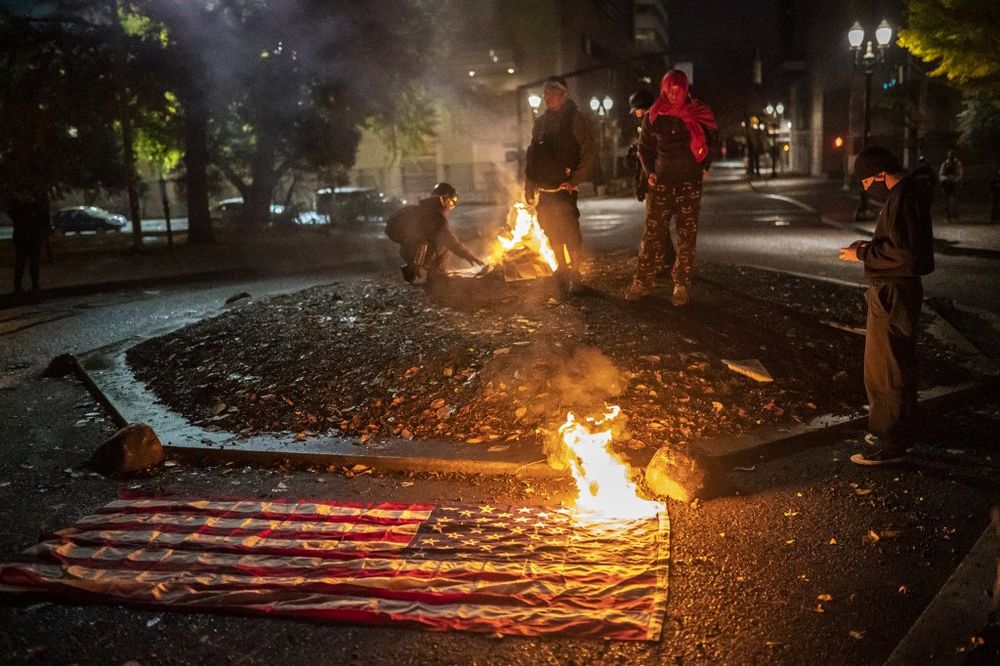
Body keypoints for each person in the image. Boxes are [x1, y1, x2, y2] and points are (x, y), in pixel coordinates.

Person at [838, 145, 934, 466]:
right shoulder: (905, 195)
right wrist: (868, 247)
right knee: (896, 363)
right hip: (898, 290)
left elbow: (902, 253)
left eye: (866, 181)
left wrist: (863, 254)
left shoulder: (901, 197)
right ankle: (900, 431)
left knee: (885, 368)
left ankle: (888, 440)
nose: (866, 188)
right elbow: (901, 244)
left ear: (881, 173)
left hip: (892, 291)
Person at [624, 69, 718, 306]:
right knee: (652, 235)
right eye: (670, 89)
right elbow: (644, 149)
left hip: (689, 183)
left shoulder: (698, 113)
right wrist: (650, 173)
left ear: (685, 89)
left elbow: (713, 139)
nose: (674, 94)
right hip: (662, 184)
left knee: (687, 237)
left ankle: (681, 285)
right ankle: (642, 281)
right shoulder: (653, 116)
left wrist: (705, 165)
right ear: (664, 89)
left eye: (679, 89)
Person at [524, 75, 595, 295]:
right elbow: (533, 155)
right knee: (550, 229)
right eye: (545, 93)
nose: (547, 97)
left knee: (569, 229)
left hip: (564, 187)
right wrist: (529, 184)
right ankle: (562, 270)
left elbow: (589, 151)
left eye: (552, 93)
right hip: (545, 188)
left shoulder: (575, 119)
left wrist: (574, 180)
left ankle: (575, 272)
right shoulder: (541, 123)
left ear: (563, 95)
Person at [384, 182, 484, 285]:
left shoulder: (418, 209)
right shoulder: (437, 218)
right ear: (444, 199)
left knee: (439, 241)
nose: (452, 206)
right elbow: (450, 241)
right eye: (453, 202)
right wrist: (469, 256)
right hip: (418, 253)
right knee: (445, 247)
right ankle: (435, 276)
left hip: (406, 251)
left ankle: (415, 268)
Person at [8, 186, 50, 294]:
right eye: (24, 194)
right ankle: (18, 286)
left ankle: (34, 284)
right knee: (20, 263)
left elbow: (43, 218)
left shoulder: (35, 206)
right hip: (22, 238)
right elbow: (14, 215)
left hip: (33, 238)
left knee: (34, 263)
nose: (27, 196)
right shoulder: (17, 206)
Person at [938, 150, 964, 222]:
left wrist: (953, 179)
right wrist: (945, 179)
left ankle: (956, 216)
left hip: (954, 183)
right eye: (949, 154)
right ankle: (947, 216)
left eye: (951, 155)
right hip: (946, 183)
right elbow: (941, 174)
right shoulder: (945, 164)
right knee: (946, 201)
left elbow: (959, 174)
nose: (950, 156)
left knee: (955, 200)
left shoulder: (957, 163)